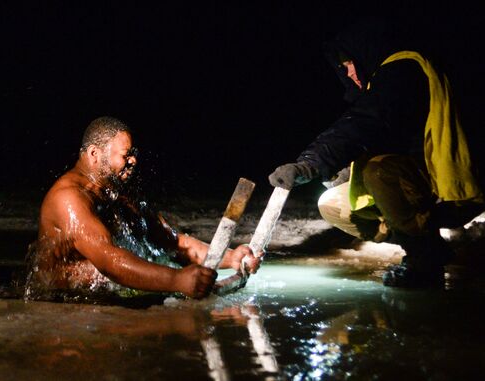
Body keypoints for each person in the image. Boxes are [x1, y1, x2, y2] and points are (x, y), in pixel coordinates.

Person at [269, 20, 484, 287]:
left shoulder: (404, 69)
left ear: (363, 53)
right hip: (421, 189)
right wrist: (345, 171)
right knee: (333, 203)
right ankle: (424, 239)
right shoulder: (382, 85)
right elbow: (387, 138)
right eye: (342, 69)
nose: (348, 74)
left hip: (454, 191)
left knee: (379, 171)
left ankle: (425, 259)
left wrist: (309, 165)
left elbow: (368, 121)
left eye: (348, 64)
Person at [26, 116, 261, 300]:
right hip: (65, 309)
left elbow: (173, 243)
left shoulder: (115, 192)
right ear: (94, 154)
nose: (134, 161)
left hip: (108, 298)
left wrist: (230, 258)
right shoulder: (68, 199)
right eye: (126, 155)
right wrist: (177, 280)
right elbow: (110, 261)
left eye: (134, 154)